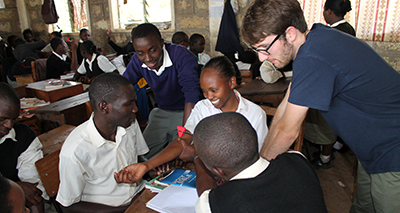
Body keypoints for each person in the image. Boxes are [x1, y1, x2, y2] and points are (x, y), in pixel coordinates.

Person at [241, 0, 400, 213]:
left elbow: (288, 132)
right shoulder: (314, 41)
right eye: (256, 50)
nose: (261, 57)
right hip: (373, 151)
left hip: (392, 151)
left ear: (290, 33)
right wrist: (261, 160)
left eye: (264, 47)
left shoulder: (314, 57)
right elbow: (286, 108)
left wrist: (255, 177)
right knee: (362, 207)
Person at [114, 56, 268, 184]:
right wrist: (146, 166)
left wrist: (195, 152)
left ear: (232, 82)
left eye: (214, 90)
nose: (209, 96)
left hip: (244, 180)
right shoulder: (203, 108)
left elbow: (257, 159)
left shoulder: (255, 114)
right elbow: (182, 141)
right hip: (207, 175)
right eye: (204, 91)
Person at [193, 112, 327, 213]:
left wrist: (197, 159)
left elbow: (205, 197)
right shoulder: (297, 160)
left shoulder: (215, 205)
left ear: (218, 171)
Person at [56, 73, 149, 212]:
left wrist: (151, 168)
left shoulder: (129, 124)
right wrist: (127, 209)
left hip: (140, 196)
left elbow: (141, 157)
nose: (135, 109)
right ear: (104, 107)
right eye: (128, 104)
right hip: (111, 209)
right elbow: (68, 206)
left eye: (134, 102)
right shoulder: (76, 150)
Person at [123, 23, 201, 159]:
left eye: (152, 50)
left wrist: (184, 137)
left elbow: (191, 95)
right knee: (143, 155)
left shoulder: (181, 56)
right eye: (140, 53)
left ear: (161, 43)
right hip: (161, 112)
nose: (148, 58)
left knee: (181, 154)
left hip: (186, 111)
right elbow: (123, 85)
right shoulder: (137, 61)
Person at [306, 0, 356, 169]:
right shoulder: (349, 28)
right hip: (346, 83)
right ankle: (337, 144)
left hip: (332, 85)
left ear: (328, 11)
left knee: (324, 120)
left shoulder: (329, 33)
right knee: (337, 118)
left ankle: (324, 157)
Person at [0, 82, 45, 213]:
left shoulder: (24, 137)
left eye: (13, 119)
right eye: (3, 119)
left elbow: (33, 190)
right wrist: (15, 188)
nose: (9, 125)